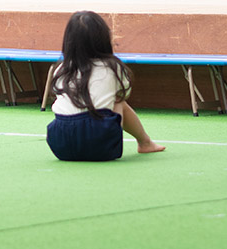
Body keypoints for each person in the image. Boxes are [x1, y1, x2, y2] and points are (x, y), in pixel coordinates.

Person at [46, 11, 166, 161]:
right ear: (103, 39)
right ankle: (145, 142)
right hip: (98, 143)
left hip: (60, 143)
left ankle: (145, 142)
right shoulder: (112, 67)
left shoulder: (62, 68)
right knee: (118, 102)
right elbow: (123, 95)